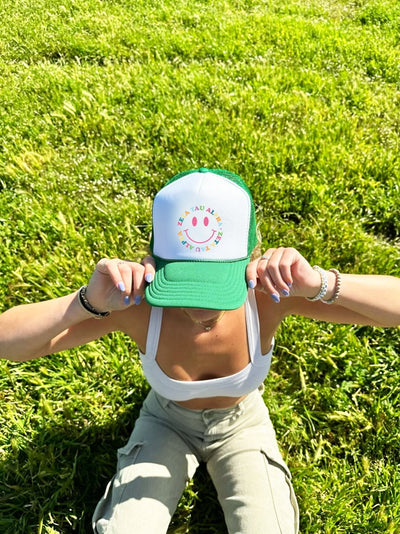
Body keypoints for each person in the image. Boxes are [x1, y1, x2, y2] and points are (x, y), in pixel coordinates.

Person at [1, 167, 400, 534]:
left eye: (216, 281)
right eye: (184, 281)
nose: (199, 305)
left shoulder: (267, 298)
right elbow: (7, 343)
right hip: (166, 422)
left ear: (253, 260)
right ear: (152, 262)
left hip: (242, 424)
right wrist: (87, 302)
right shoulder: (137, 307)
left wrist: (319, 284)